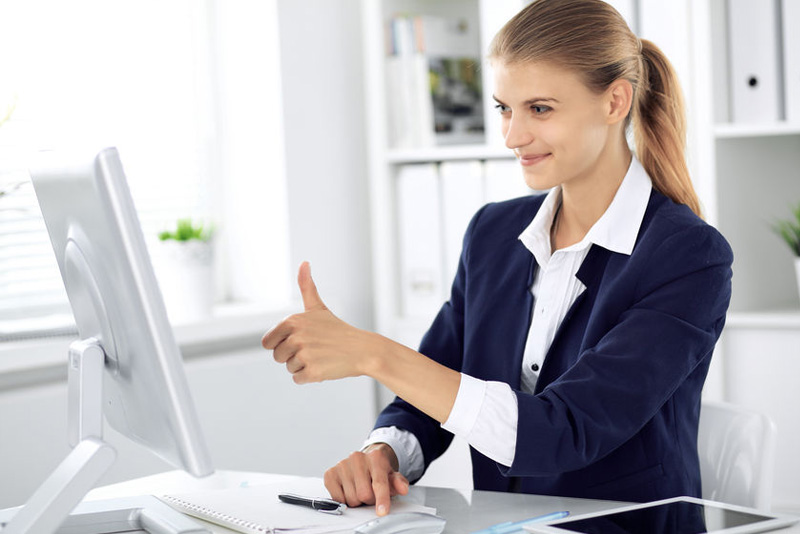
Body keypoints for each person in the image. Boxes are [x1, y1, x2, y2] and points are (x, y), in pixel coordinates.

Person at [261, 0, 733, 518]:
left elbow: (566, 430)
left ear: (615, 101)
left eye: (540, 109)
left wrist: (374, 354)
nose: (512, 137)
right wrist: (385, 452)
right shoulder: (492, 233)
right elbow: (435, 387)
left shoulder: (689, 257)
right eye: (504, 108)